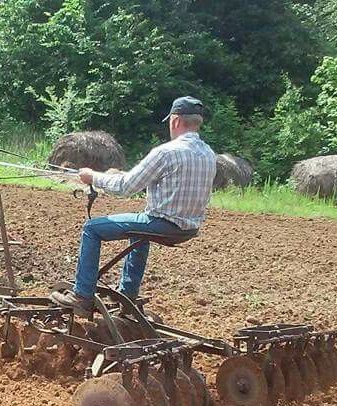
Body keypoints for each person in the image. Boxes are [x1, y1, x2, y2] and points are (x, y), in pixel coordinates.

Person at [50, 96, 217, 315]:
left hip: (162, 224)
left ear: (175, 120)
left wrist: (93, 177)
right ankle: (128, 294)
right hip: (189, 228)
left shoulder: (166, 152)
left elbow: (125, 187)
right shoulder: (208, 154)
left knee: (91, 228)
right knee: (140, 231)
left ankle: (81, 296)